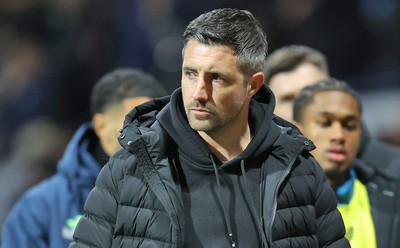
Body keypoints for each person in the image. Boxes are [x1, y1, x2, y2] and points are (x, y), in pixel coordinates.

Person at [70, 8, 349, 247]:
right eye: (190, 73)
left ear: (252, 85)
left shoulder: (298, 169)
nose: (198, 93)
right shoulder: (130, 167)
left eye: (216, 78)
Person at [1, 68, 167, 247]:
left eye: (151, 125)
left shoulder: (178, 197)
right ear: (101, 126)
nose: (143, 135)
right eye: (131, 123)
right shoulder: (41, 206)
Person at [265, 44, 400, 183]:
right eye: (289, 99)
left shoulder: (392, 170)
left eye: (312, 95)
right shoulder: (252, 180)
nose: (302, 108)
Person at [292, 78, 400, 248]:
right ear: (297, 130)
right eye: (325, 123)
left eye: (349, 125)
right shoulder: (270, 200)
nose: (339, 135)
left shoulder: (393, 196)